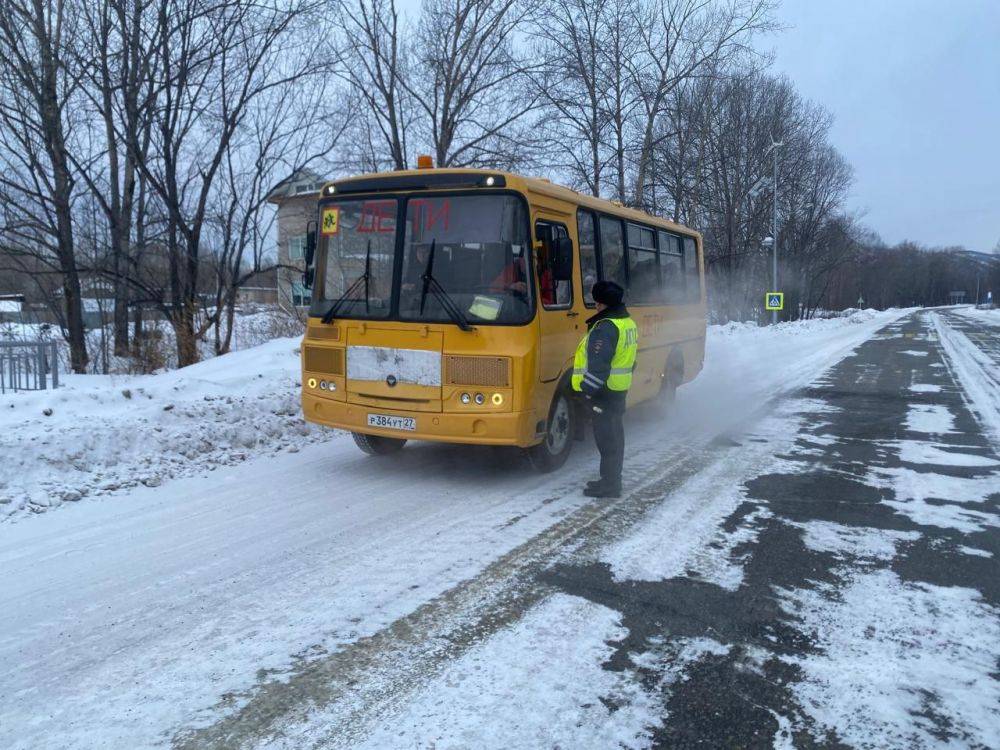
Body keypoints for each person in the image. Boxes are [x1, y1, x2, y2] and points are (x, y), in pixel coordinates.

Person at [571, 280, 638, 498]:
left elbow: (599, 365)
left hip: (604, 392)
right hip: (617, 390)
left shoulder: (606, 327)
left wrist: (586, 392)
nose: (595, 306)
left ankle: (610, 485)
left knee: (607, 439)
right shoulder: (626, 323)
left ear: (604, 304)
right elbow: (630, 360)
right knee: (614, 436)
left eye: (597, 303)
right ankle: (610, 480)